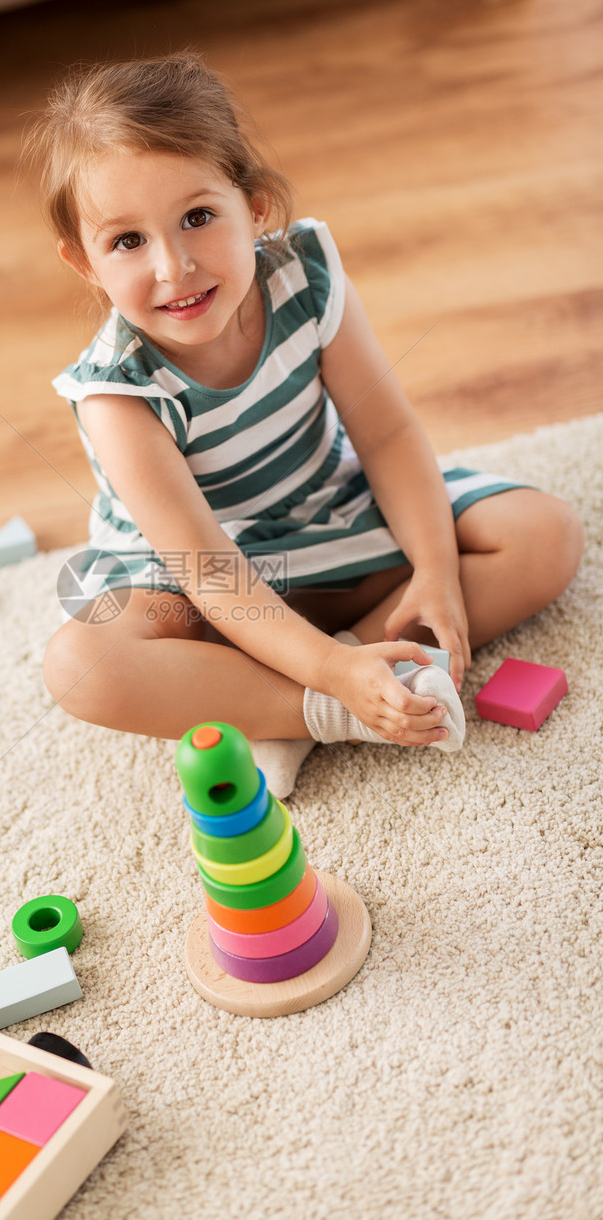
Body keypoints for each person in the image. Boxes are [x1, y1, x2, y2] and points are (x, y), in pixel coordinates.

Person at [31, 53, 583, 797]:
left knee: (545, 534)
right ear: (85, 265)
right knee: (80, 665)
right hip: (195, 585)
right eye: (128, 241)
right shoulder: (115, 394)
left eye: (198, 217)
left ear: (254, 206)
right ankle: (315, 708)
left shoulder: (305, 273)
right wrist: (327, 677)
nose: (174, 266)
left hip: (328, 514)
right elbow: (208, 570)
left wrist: (435, 570)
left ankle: (362, 665)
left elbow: (385, 434)